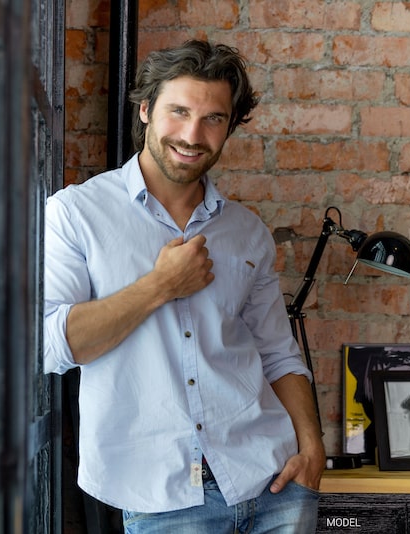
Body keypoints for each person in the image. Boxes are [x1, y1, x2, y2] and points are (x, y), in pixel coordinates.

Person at [44, 39, 325, 533]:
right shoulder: (76, 214)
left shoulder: (247, 231)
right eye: (178, 112)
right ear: (147, 110)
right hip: (164, 502)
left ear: (230, 126)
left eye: (213, 118)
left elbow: (279, 354)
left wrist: (312, 448)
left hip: (275, 484)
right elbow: (53, 346)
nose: (193, 135)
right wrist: (160, 285)